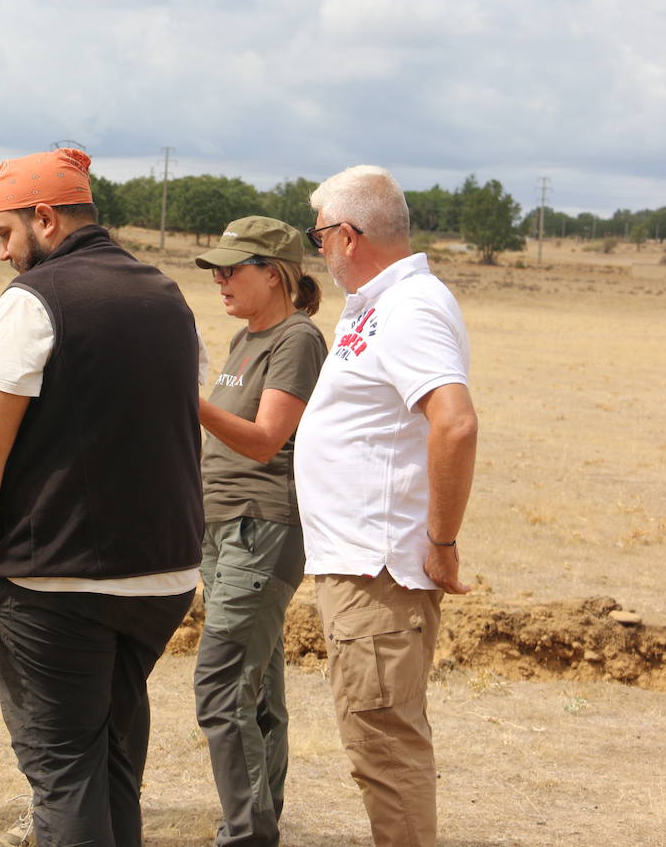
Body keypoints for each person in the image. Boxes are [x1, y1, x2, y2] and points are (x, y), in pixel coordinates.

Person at [0, 148, 204, 846]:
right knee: (112, 759)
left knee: (63, 771)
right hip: (164, 577)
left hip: (56, 581)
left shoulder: (35, 301)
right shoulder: (167, 295)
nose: (2, 254)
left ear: (46, 219)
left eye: (4, 233)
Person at [295, 166, 479, 847]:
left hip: (380, 573)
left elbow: (454, 423)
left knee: (386, 750)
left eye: (318, 237)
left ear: (348, 235)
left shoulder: (412, 306)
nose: (318, 251)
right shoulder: (380, 304)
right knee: (377, 742)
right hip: (360, 567)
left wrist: (443, 540)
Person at [192, 217, 326, 846]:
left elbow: (266, 438)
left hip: (260, 529)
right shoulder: (246, 338)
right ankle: (260, 824)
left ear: (272, 274)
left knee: (220, 686)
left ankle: (245, 836)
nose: (219, 279)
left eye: (231, 268)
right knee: (258, 692)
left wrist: (183, 399)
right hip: (223, 529)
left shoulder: (296, 338)